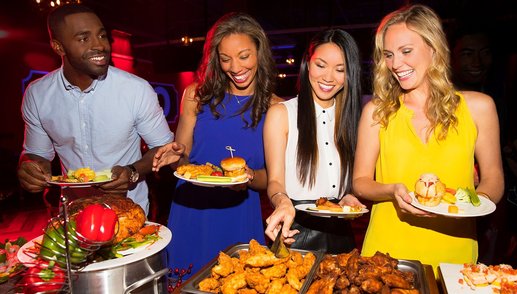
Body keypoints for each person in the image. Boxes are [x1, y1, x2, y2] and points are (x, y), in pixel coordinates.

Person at [352, 4, 504, 274]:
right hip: (386, 253)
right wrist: (391, 191)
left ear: (433, 49)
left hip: (454, 254)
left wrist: (466, 206)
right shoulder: (377, 112)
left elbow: (493, 179)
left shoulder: (479, 107)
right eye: (388, 55)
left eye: (406, 51)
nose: (395, 64)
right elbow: (361, 183)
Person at [151, 12, 282, 277]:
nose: (235, 67)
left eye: (244, 56)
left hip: (238, 214)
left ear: (260, 52)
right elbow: (184, 158)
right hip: (191, 211)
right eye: (225, 59)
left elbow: (274, 178)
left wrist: (249, 177)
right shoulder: (196, 96)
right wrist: (175, 155)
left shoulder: (276, 108)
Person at [17, 4, 173, 215]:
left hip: (128, 213)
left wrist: (132, 172)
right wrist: (29, 168)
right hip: (73, 213)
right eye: (84, 38)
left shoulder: (136, 90)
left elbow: (164, 148)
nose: (99, 45)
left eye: (102, 36)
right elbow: (37, 153)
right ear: (58, 47)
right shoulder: (38, 95)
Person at [264, 29, 365, 254]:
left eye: (340, 70)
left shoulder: (353, 119)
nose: (329, 77)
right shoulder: (281, 114)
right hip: (296, 231)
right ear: (307, 64)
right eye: (321, 65)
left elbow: (350, 181)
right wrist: (281, 201)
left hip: (342, 234)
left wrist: (349, 195)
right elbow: (275, 181)